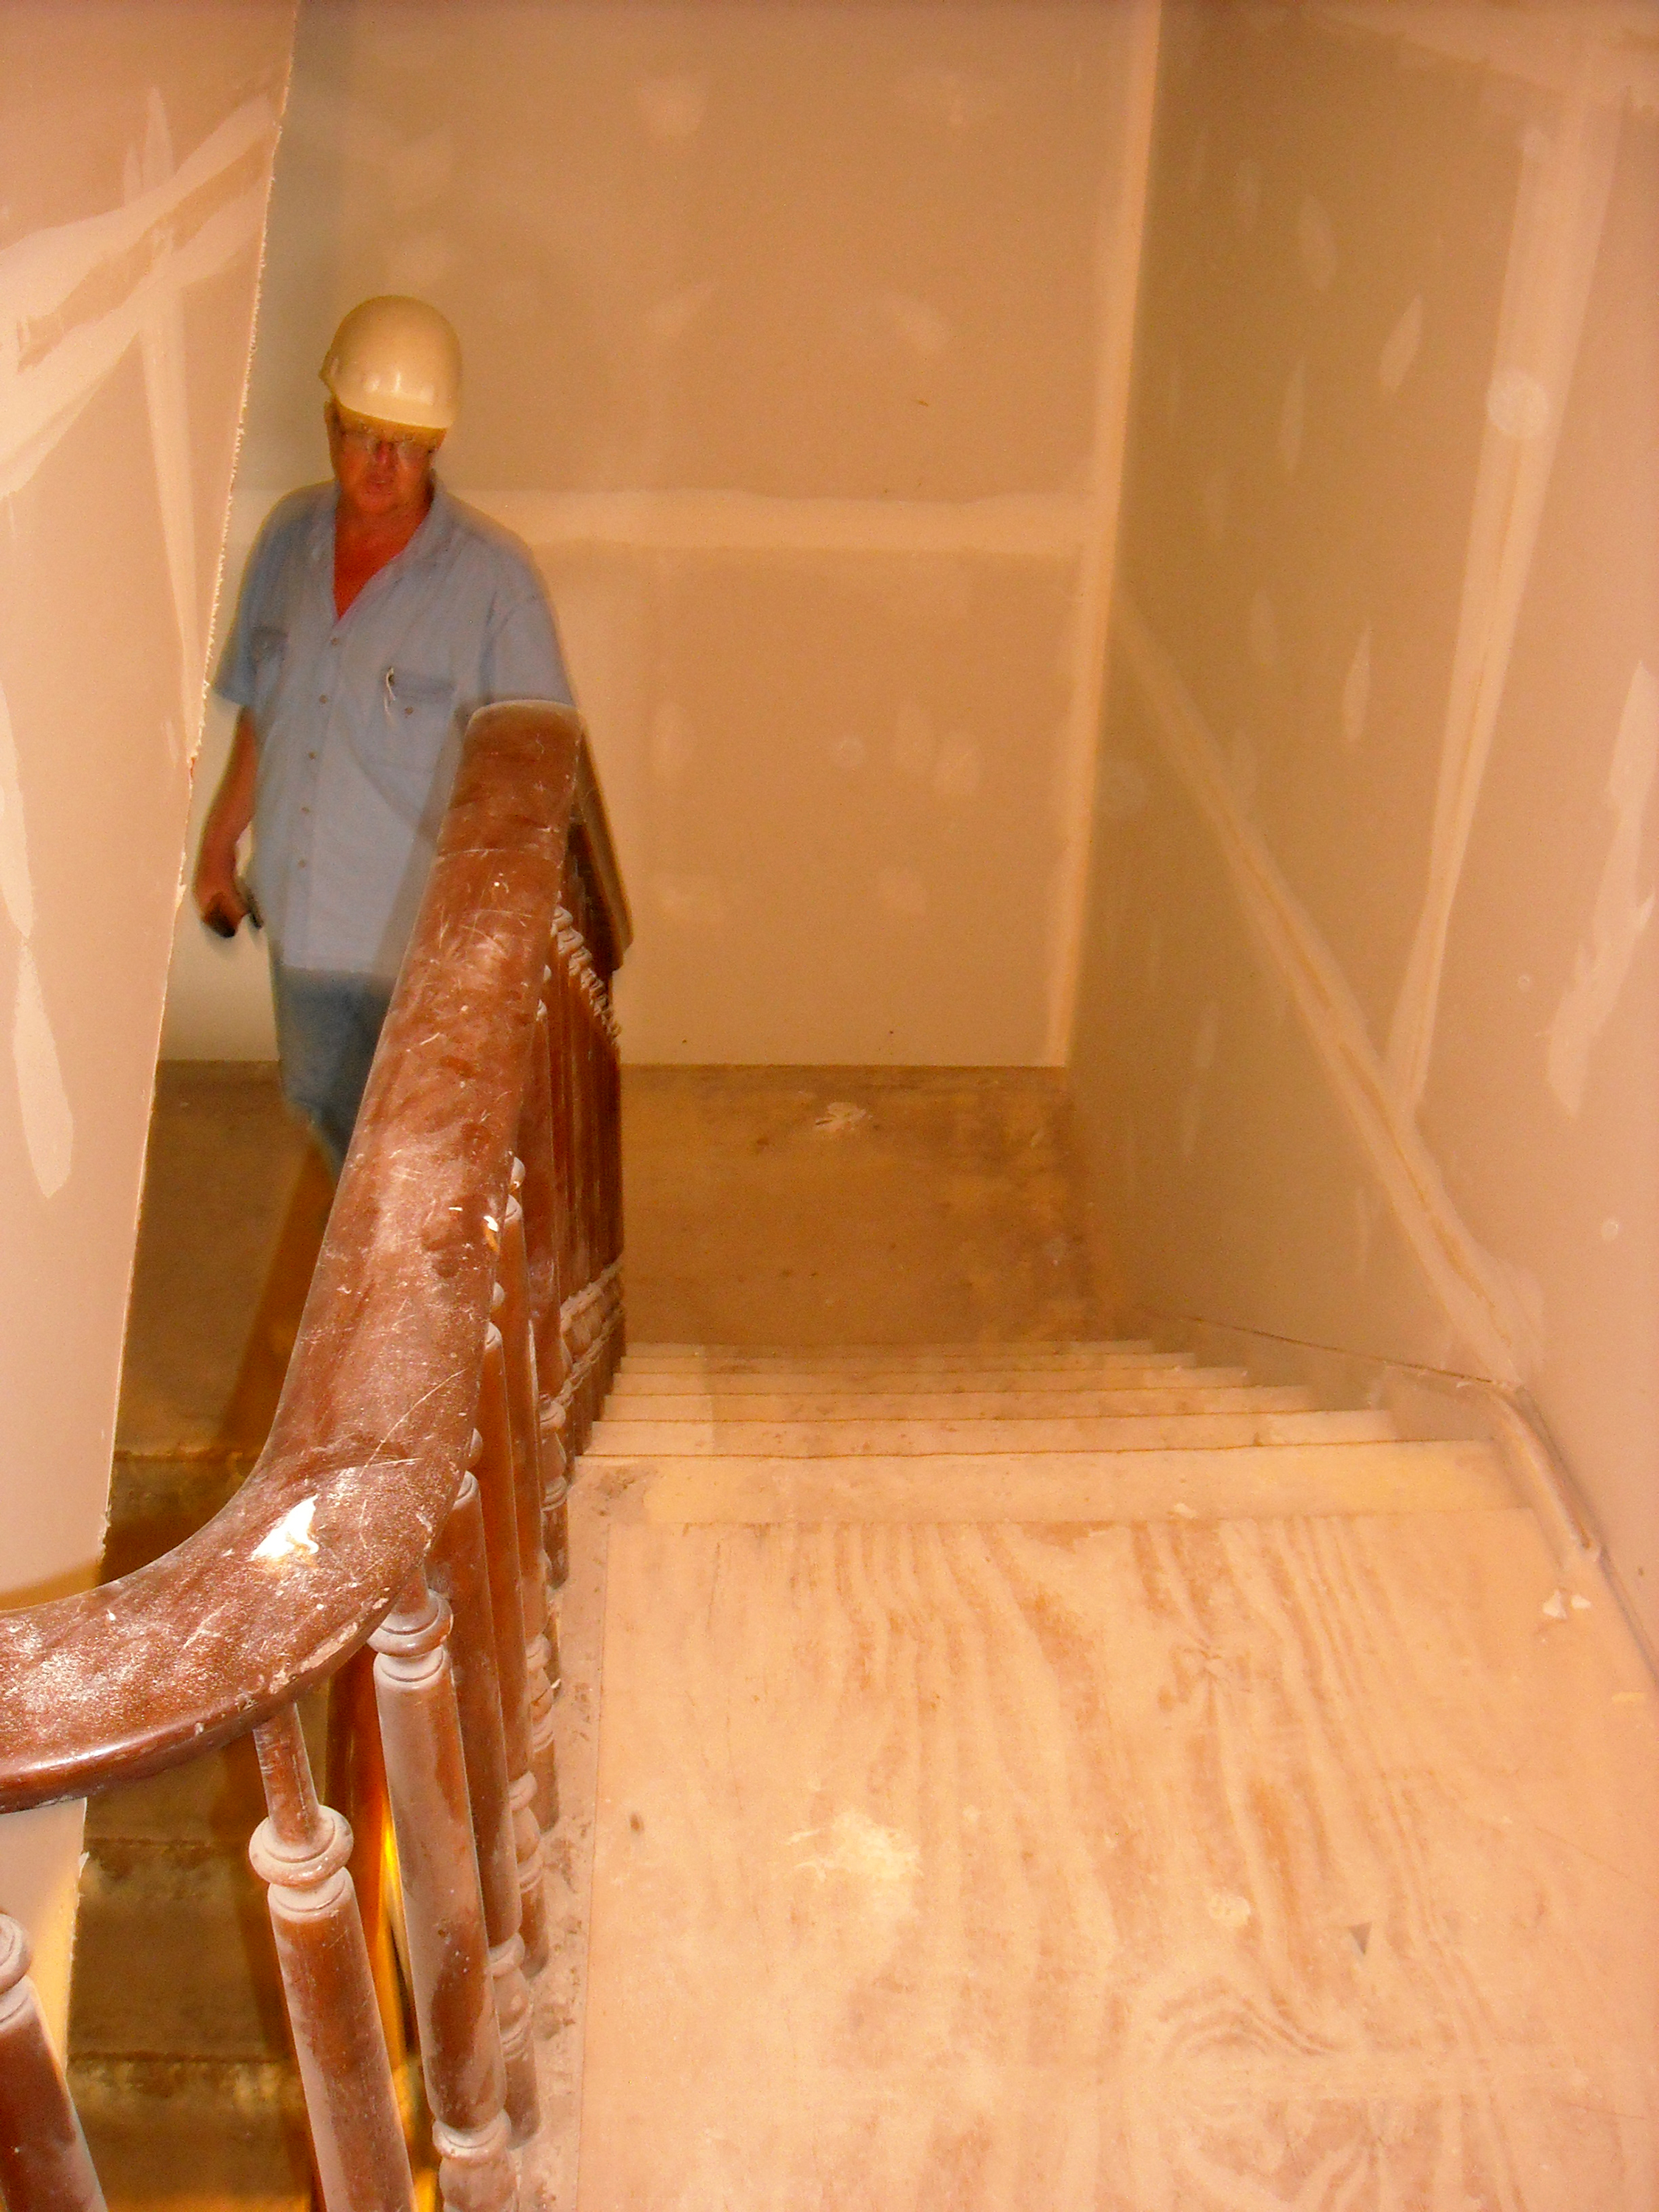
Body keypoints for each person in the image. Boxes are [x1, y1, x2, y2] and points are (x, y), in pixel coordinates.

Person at [194, 296, 571, 1175]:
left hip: (425, 958)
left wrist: (503, 954)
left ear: (436, 445)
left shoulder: (494, 585)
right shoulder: (286, 545)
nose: (384, 463)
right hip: (309, 940)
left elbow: (540, 794)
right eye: (366, 435)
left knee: (430, 1173)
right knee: (337, 1141)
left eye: (407, 443)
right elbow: (267, 713)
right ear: (332, 425)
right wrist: (219, 848)